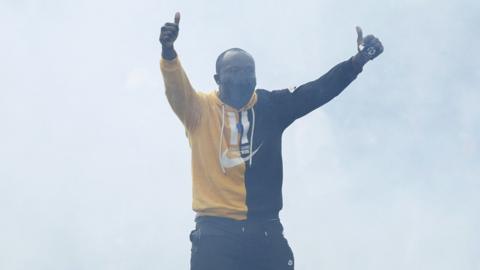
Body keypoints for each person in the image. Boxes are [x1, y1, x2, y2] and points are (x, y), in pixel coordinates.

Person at [159, 12, 383, 270]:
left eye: (248, 72)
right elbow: (176, 88)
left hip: (265, 230)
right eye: (233, 71)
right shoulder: (198, 110)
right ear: (217, 79)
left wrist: (357, 62)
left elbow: (318, 90)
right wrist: (168, 53)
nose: (242, 78)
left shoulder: (272, 106)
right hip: (216, 234)